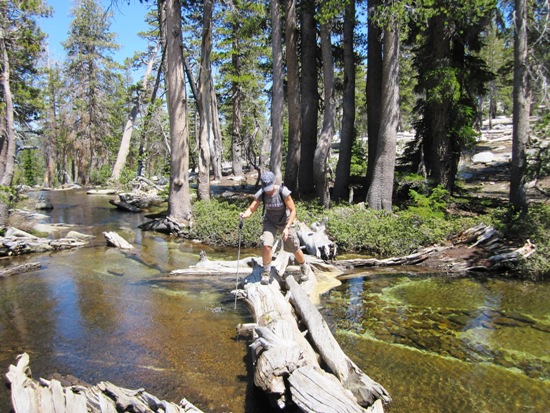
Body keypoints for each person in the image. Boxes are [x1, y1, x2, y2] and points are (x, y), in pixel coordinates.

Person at [240, 171, 310, 285]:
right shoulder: (261, 193)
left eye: (269, 187)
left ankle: (303, 266)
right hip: (270, 222)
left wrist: (287, 227)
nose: (268, 190)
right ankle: (266, 271)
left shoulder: (283, 192)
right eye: (266, 187)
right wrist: (244, 215)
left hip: (285, 221)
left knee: (294, 247)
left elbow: (293, 211)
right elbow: (251, 209)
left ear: (274, 182)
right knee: (266, 245)